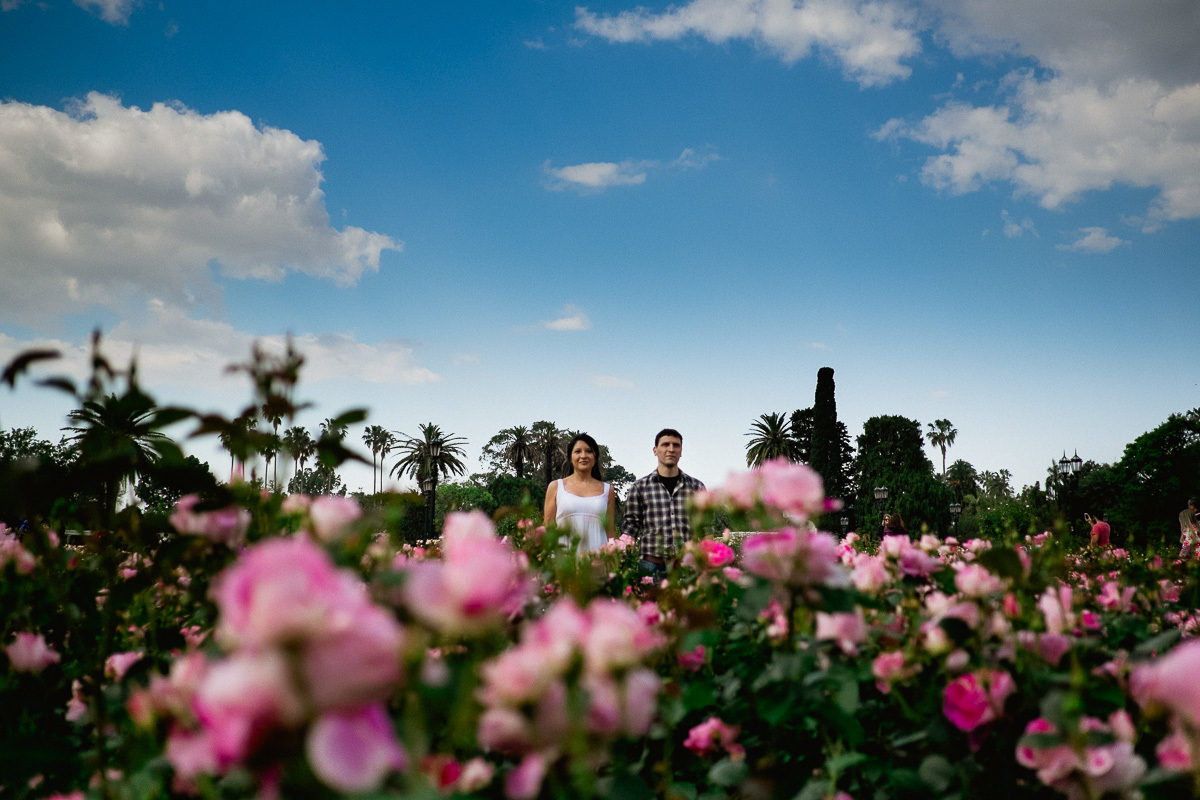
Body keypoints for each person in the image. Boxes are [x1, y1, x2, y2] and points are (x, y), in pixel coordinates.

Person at [620, 428, 706, 577]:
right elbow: (630, 529)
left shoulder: (696, 487)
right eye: (665, 444)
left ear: (681, 451)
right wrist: (625, 566)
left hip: (686, 566)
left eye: (676, 445)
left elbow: (705, 528)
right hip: (650, 566)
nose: (671, 449)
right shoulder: (640, 488)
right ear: (655, 450)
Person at [543, 432, 616, 554]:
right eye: (577, 451)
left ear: (595, 456)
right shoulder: (556, 487)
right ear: (570, 457)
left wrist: (615, 559)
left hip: (598, 562)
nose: (583, 456)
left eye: (589, 451)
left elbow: (610, 530)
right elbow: (548, 527)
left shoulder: (608, 490)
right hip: (564, 563)